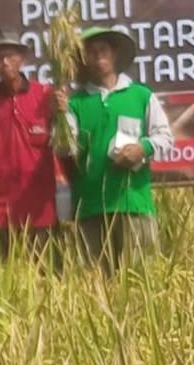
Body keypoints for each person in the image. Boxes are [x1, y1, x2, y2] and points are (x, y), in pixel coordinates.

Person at [56, 26, 174, 272]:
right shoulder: (75, 103)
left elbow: (164, 137)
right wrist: (60, 117)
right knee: (96, 286)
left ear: (115, 54)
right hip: (89, 208)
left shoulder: (140, 95)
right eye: (90, 52)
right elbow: (66, 150)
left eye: (103, 50)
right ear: (83, 60)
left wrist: (142, 148)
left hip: (134, 204)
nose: (98, 56)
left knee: (141, 281)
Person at [0, 29, 58, 258]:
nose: (4, 62)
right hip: (0, 207)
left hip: (40, 205)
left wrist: (63, 111)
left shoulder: (46, 95)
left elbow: (66, 138)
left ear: (22, 58)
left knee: (46, 273)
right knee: (7, 275)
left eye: (10, 56)